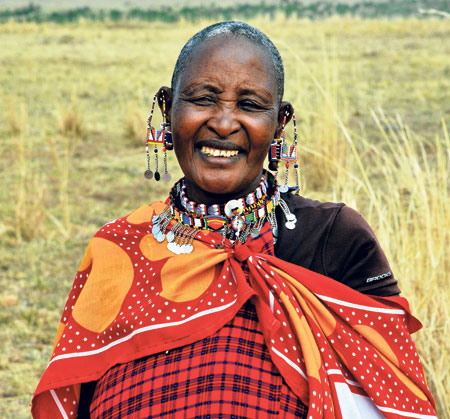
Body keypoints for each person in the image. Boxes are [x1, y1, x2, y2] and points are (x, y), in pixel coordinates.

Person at [32, 21, 436, 418]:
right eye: (203, 98)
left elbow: (389, 395)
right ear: (166, 108)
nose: (224, 123)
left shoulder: (334, 238)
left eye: (250, 105)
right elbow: (79, 398)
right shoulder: (118, 249)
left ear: (280, 123)